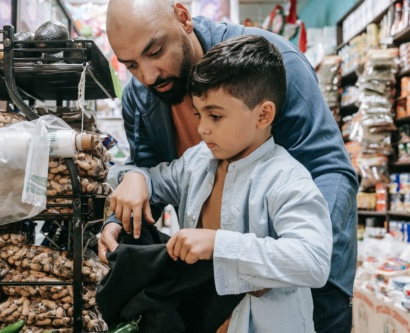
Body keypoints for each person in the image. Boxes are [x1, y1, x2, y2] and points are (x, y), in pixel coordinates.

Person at [99, 1, 359, 332]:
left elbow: (329, 171)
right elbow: (152, 173)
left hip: (294, 286)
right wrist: (124, 205)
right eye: (131, 65)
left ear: (183, 18)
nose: (148, 75)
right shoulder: (143, 96)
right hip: (215, 292)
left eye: (156, 51)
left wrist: (267, 263)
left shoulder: (271, 66)